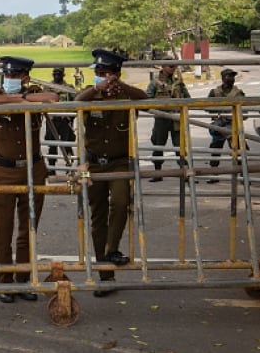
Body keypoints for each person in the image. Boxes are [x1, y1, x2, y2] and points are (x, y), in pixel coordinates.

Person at [0, 56, 58, 303]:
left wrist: (23, 98)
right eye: (7, 75)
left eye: (15, 76)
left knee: (28, 228)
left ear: (26, 78)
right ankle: (5, 282)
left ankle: (23, 280)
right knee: (3, 229)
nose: (10, 79)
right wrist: (16, 100)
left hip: (33, 169)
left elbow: (52, 99)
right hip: (4, 171)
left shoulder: (34, 92)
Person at [74, 49, 148, 297]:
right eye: (97, 73)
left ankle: (111, 250)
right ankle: (105, 274)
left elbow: (145, 99)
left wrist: (122, 87)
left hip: (119, 163)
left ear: (116, 74)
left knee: (119, 201)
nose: (101, 77)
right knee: (98, 215)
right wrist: (97, 89)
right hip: (93, 164)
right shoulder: (91, 95)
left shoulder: (126, 97)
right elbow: (75, 102)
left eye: (105, 74)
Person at [145, 56, 190, 182]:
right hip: (161, 119)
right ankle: (158, 172)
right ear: (163, 67)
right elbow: (147, 100)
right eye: (170, 66)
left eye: (174, 66)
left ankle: (185, 172)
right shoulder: (155, 83)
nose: (173, 68)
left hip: (176, 118)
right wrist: (160, 102)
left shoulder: (179, 82)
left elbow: (188, 99)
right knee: (158, 146)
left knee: (180, 146)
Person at [206, 68, 245, 182]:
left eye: (232, 76)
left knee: (238, 149)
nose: (231, 79)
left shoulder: (238, 93)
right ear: (223, 78)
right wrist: (216, 112)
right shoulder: (215, 92)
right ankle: (214, 174)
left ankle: (243, 175)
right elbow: (206, 106)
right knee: (215, 149)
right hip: (219, 124)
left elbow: (245, 111)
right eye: (228, 76)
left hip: (233, 124)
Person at [44, 67, 76, 175]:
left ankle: (69, 167)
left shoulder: (69, 88)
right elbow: (43, 103)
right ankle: (51, 167)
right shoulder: (47, 87)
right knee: (52, 145)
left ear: (63, 75)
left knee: (67, 145)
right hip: (52, 119)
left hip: (65, 120)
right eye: (55, 74)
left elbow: (75, 103)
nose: (57, 76)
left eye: (59, 74)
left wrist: (70, 117)